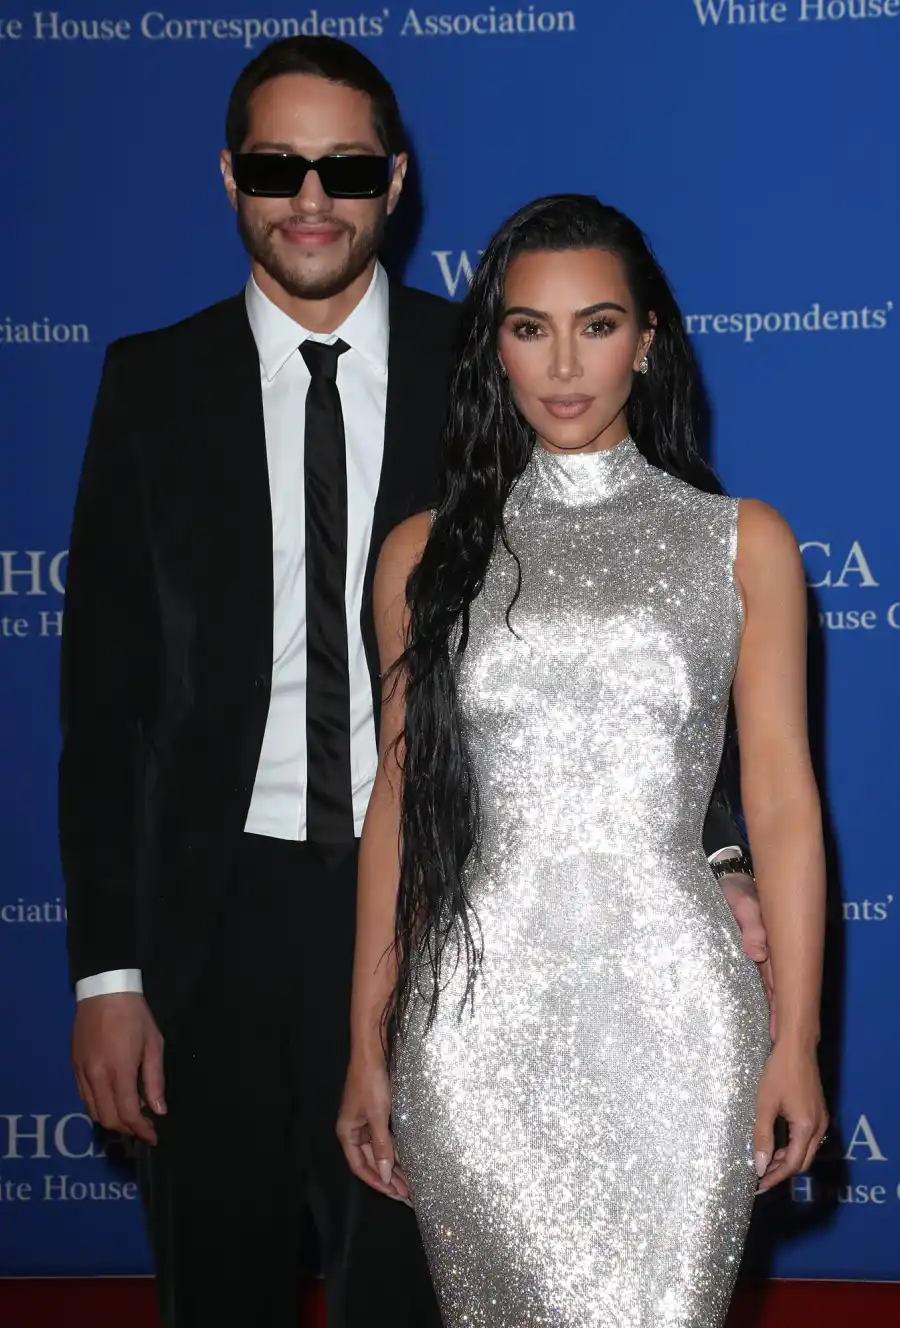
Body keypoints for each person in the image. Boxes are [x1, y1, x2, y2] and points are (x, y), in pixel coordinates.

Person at [59, 34, 766, 1328]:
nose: (312, 198)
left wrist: (716, 850)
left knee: (412, 1301)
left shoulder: (492, 364)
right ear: (230, 178)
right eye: (279, 166)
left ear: (397, 178)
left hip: (446, 914)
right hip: (209, 930)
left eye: (344, 166)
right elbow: (105, 706)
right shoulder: (148, 386)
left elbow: (640, 603)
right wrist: (108, 977)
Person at [338, 195, 828, 1328]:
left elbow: (786, 805)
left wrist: (794, 1035)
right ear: (492, 344)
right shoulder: (423, 555)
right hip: (473, 1030)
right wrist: (365, 1044)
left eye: (597, 325)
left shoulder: (741, 541)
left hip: (681, 1029)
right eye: (529, 327)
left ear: (648, 339)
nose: (564, 362)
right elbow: (400, 811)